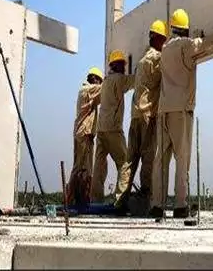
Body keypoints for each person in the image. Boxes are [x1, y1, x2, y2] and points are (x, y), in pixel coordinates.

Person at [150, 8, 213, 220]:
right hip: (180, 111)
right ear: (185, 29)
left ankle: (157, 205)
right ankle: (180, 206)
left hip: (163, 110)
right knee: (182, 159)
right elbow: (204, 45)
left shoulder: (164, 49)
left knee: (160, 160)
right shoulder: (186, 45)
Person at [117, 19, 168, 209]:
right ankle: (146, 199)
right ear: (160, 39)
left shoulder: (140, 61)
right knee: (148, 157)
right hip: (147, 115)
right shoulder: (156, 59)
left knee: (130, 160)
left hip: (135, 116)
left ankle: (120, 200)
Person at [90, 50, 135, 203]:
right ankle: (120, 199)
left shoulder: (106, 81)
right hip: (113, 129)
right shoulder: (118, 79)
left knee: (99, 167)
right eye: (122, 64)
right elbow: (135, 80)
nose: (123, 67)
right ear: (117, 65)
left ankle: (95, 199)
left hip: (101, 129)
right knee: (124, 163)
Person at [72, 67, 103, 179]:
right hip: (85, 133)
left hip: (80, 133)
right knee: (86, 169)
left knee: (78, 167)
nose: (99, 84)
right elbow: (106, 88)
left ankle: (72, 195)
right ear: (94, 79)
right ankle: (80, 195)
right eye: (100, 81)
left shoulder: (84, 90)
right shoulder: (89, 89)